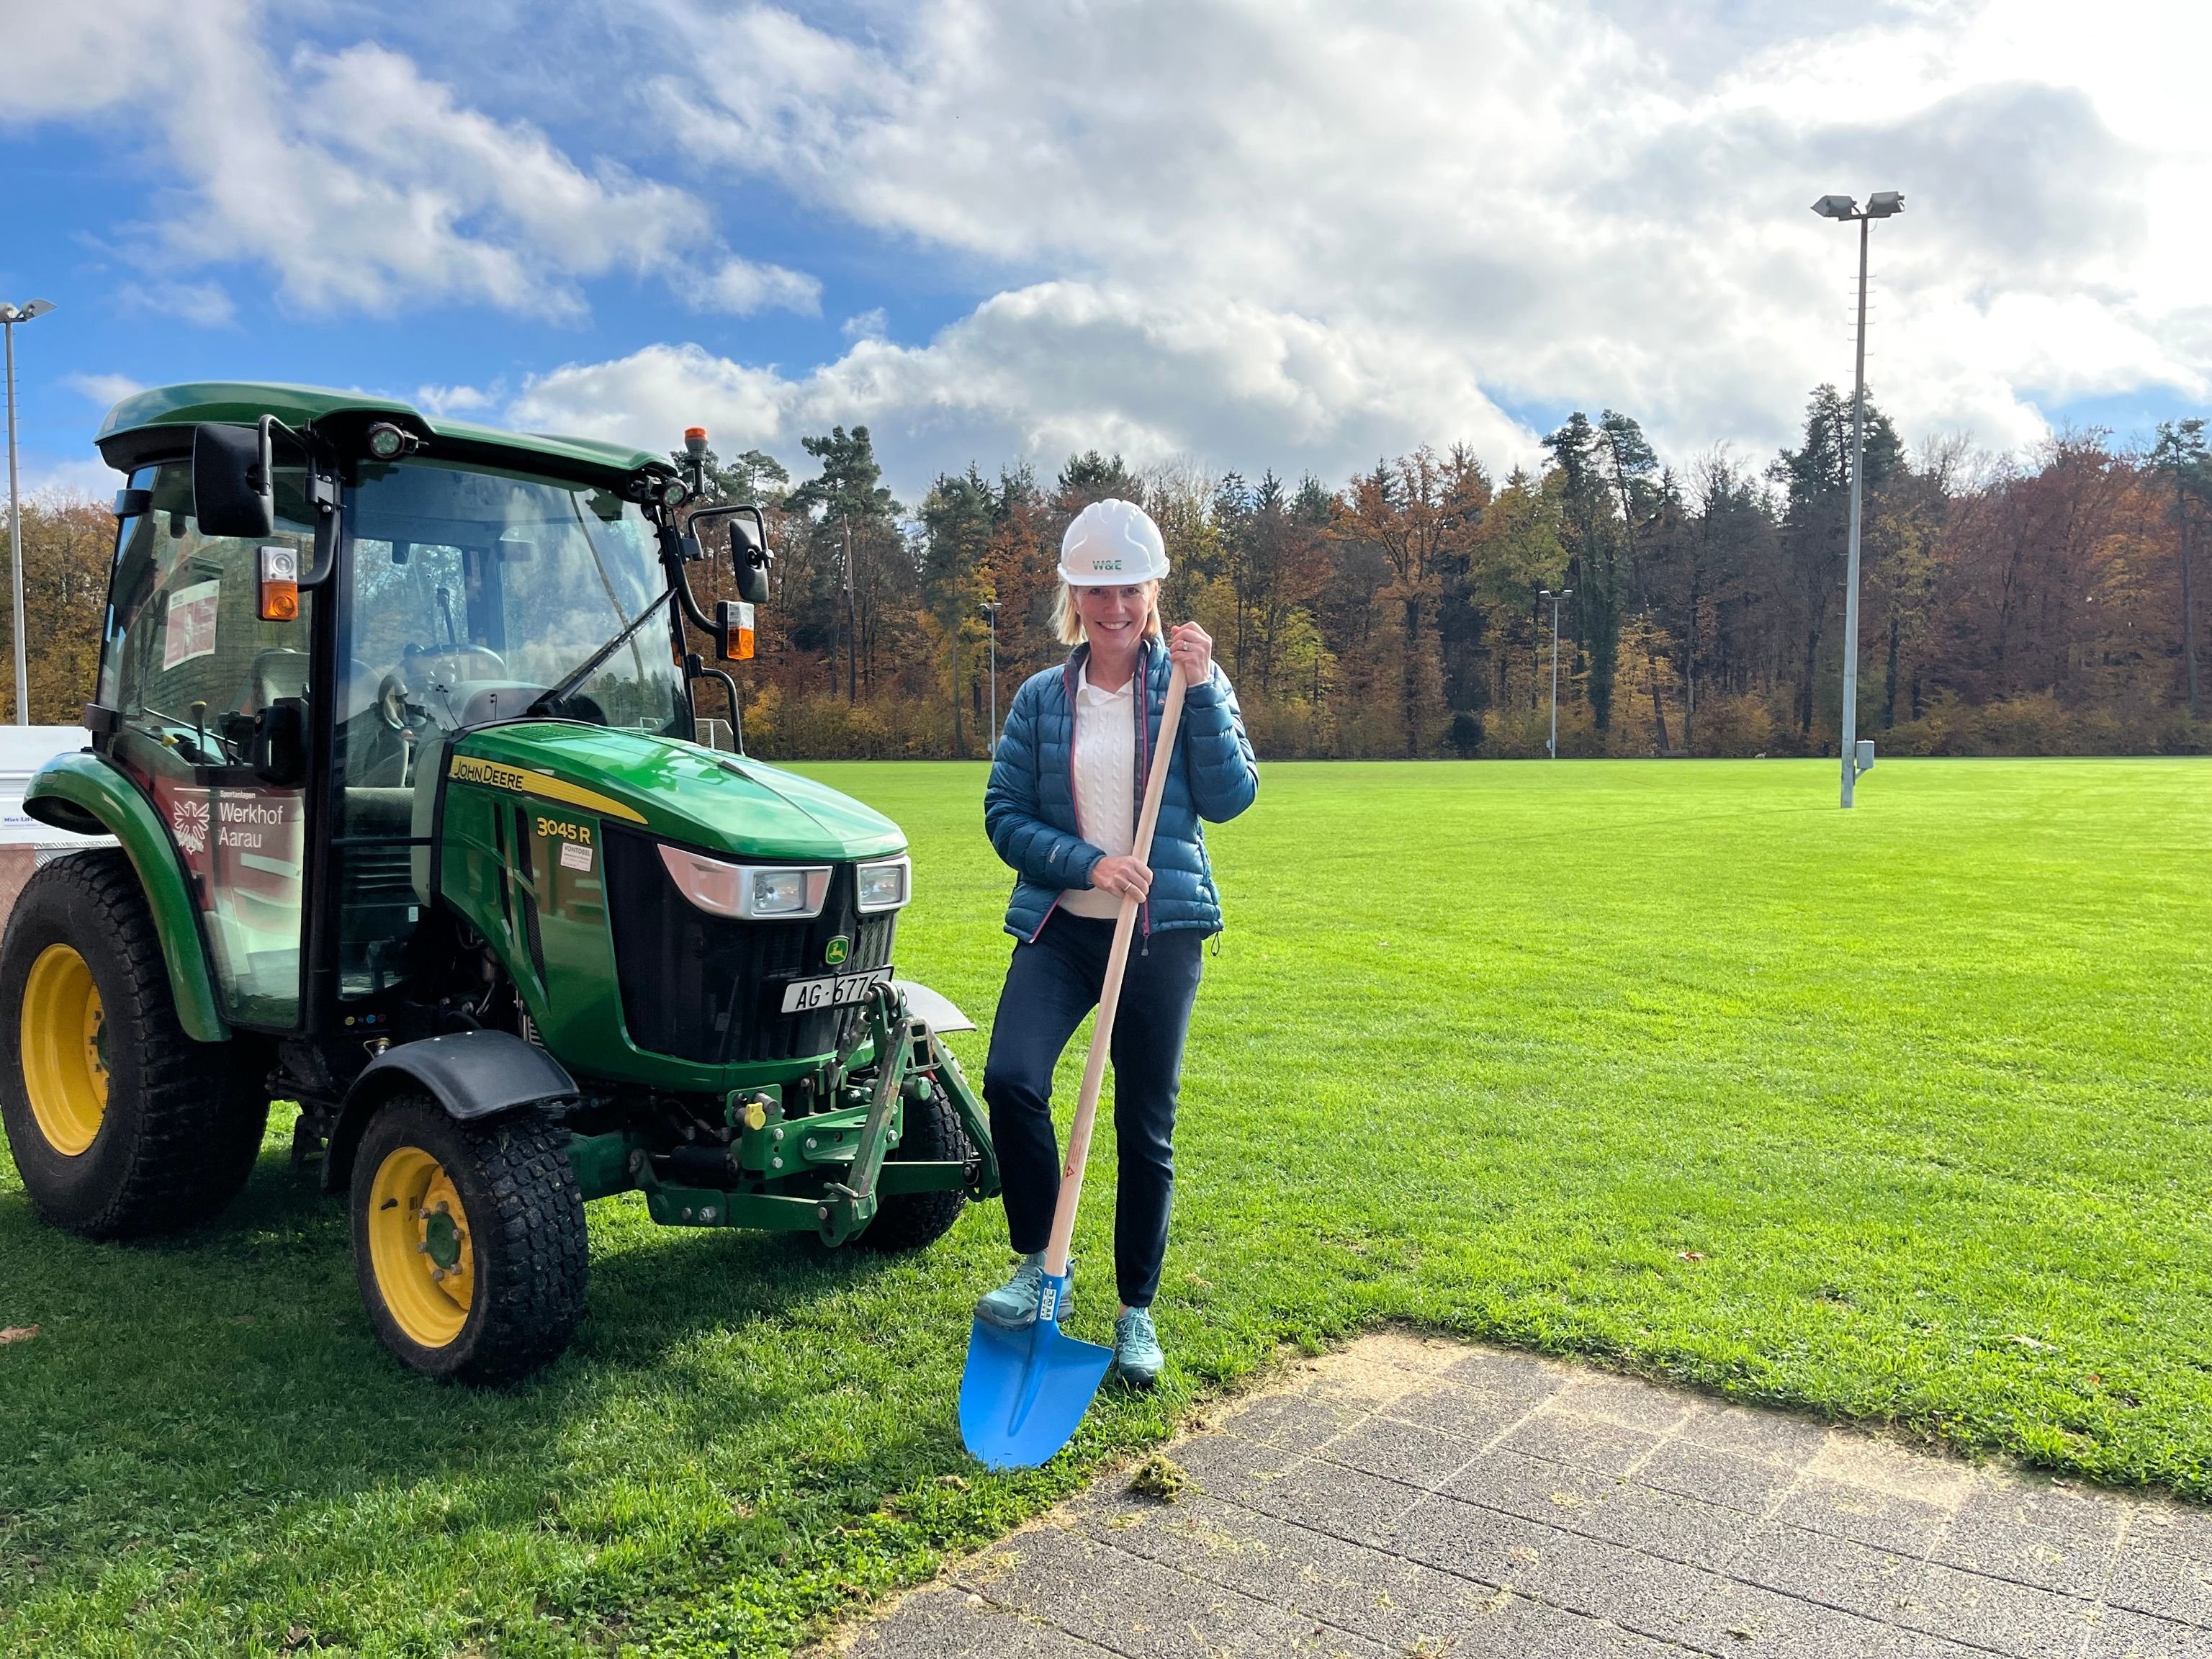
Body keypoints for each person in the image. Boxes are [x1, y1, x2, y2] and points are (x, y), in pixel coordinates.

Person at [975, 498, 1259, 1388]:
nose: (1114, 608)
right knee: (1011, 1079)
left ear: (1154, 592)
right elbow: (1003, 817)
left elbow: (1231, 798)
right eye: (1097, 591)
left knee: (1145, 1127)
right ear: (1074, 597)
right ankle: (1035, 1263)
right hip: (1064, 931)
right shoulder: (1038, 699)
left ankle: (1136, 1312)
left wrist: (1204, 691)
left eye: (1129, 589)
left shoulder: (1189, 683)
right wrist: (1089, 864)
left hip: (1160, 935)